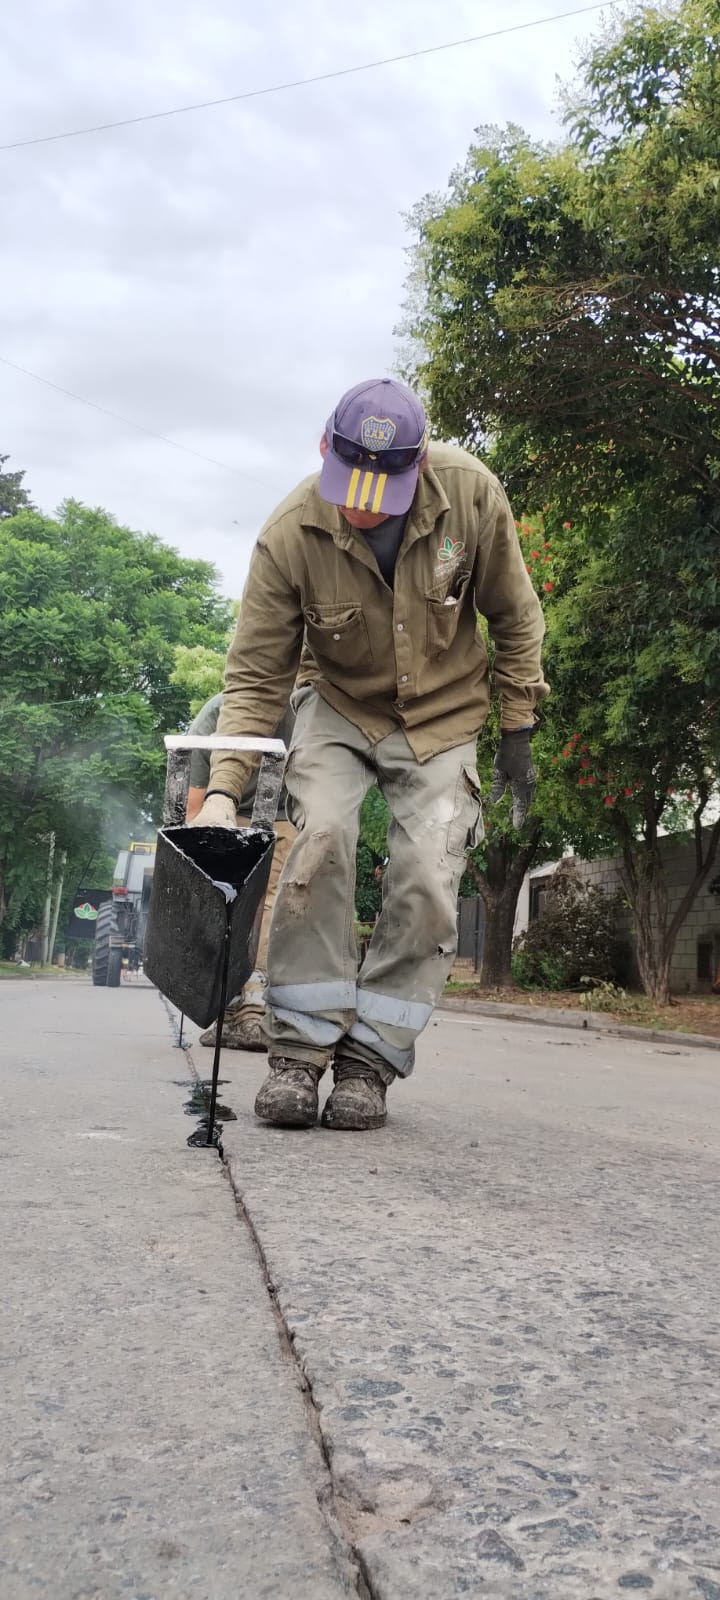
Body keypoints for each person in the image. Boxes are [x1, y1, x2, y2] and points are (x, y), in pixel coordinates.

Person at [191, 377, 548, 1131]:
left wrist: (518, 727)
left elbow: (515, 616)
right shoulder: (290, 533)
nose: (360, 505)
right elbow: (256, 674)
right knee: (319, 841)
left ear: (417, 468)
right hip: (339, 704)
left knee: (428, 876)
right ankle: (297, 1054)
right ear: (325, 450)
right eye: (348, 485)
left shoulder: (471, 498)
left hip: (444, 714)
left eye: (381, 492)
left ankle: (370, 1064)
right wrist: (226, 787)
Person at [185, 692, 296, 1051]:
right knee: (270, 902)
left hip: (235, 815)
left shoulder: (218, 709)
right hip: (283, 818)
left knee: (226, 905)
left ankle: (242, 1004)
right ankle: (249, 1004)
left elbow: (195, 796)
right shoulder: (307, 706)